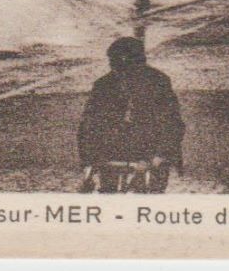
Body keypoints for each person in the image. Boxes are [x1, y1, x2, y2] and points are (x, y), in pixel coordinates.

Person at [77, 36, 185, 193]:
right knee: (109, 197)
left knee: (150, 197)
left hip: (150, 153)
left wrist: (160, 155)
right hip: (112, 154)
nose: (114, 68)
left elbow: (171, 122)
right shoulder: (103, 85)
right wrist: (89, 159)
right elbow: (89, 124)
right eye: (112, 62)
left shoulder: (158, 82)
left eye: (117, 62)